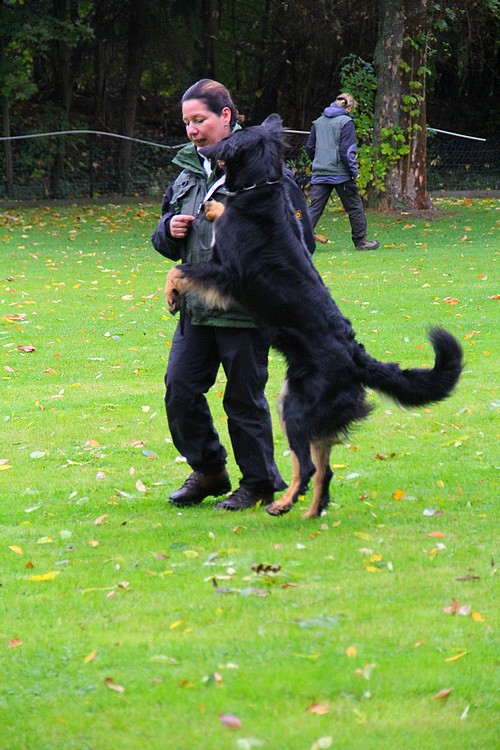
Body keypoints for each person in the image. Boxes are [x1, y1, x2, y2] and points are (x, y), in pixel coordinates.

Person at [151, 78, 315, 511]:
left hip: (246, 309)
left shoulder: (262, 165)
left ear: (226, 116)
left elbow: (301, 240)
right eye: (187, 122)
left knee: (243, 399)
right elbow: (164, 233)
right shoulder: (189, 170)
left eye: (199, 119)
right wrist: (168, 229)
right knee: (180, 388)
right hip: (197, 307)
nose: (191, 130)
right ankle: (208, 470)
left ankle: (259, 482)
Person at [305, 92, 380, 251]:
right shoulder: (346, 122)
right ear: (350, 107)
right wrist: (354, 171)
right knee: (354, 207)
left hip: (320, 172)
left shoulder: (318, 122)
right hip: (341, 174)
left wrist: (319, 161)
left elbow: (309, 147)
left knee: (314, 209)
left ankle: (299, 241)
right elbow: (347, 151)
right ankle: (361, 241)